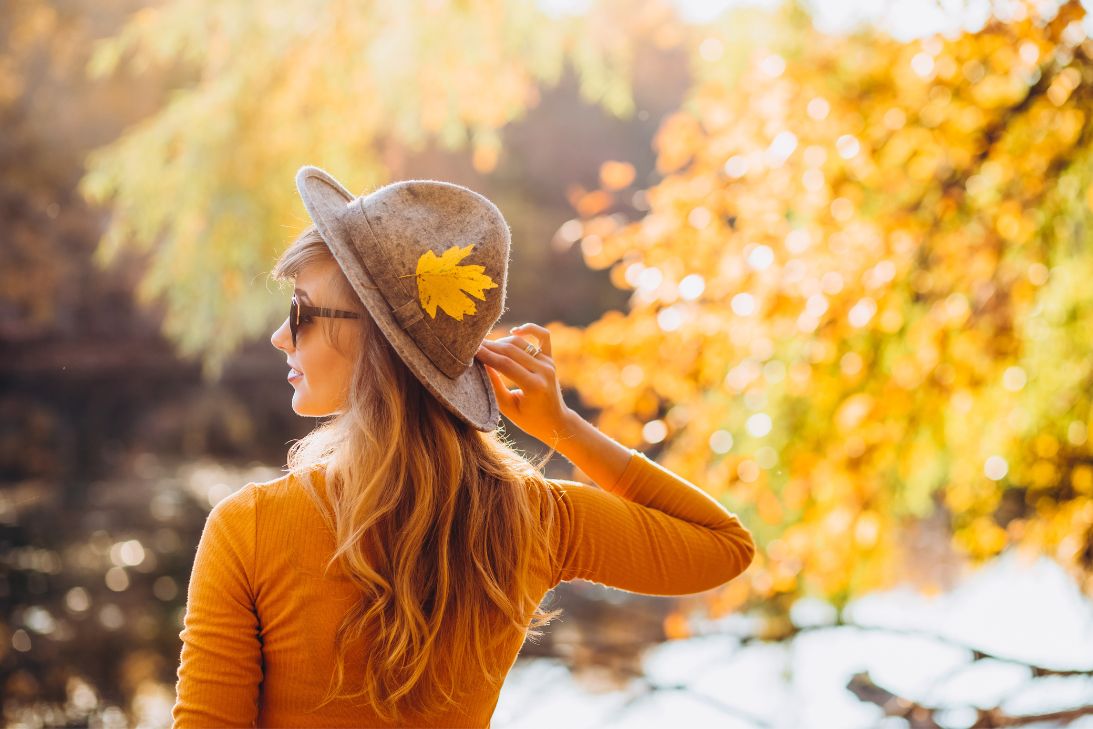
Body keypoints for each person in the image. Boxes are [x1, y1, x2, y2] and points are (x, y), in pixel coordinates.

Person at [171, 166, 756, 728]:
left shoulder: (247, 530)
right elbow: (723, 547)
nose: (280, 336)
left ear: (373, 338)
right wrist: (562, 427)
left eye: (299, 311)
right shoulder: (535, 521)